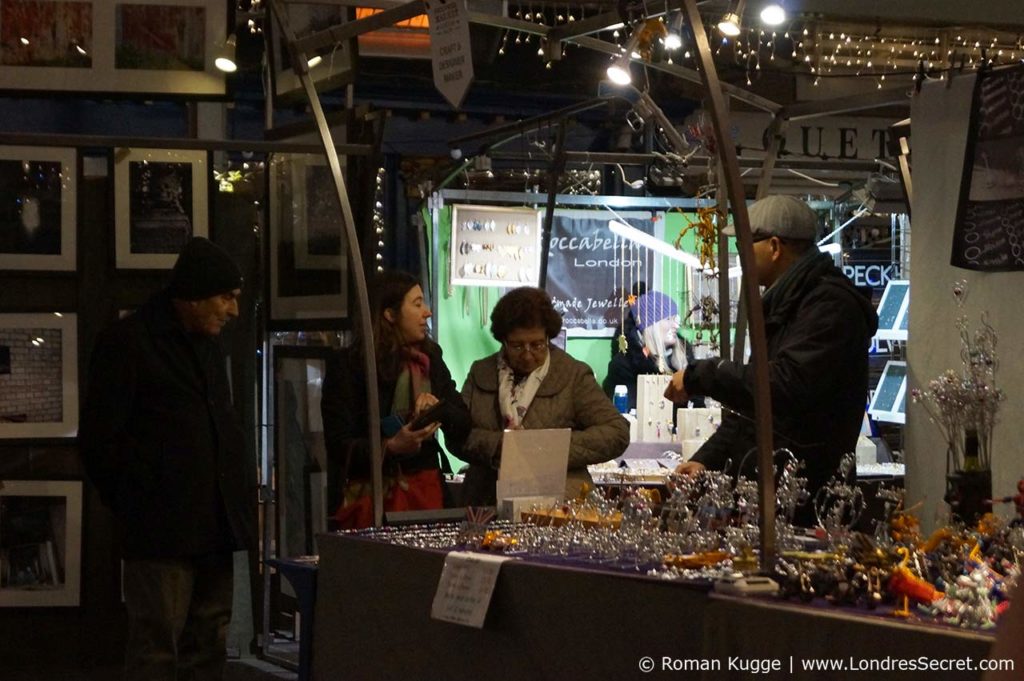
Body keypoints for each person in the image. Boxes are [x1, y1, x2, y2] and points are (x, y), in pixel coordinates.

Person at [79, 237, 256, 681]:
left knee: (210, 643)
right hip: (161, 531)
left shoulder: (209, 344)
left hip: (216, 526)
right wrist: (138, 503)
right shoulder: (128, 342)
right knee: (157, 649)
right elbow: (100, 442)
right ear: (195, 294)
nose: (233, 310)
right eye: (226, 297)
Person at [664, 195, 878, 524]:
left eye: (746, 244)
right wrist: (708, 460)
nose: (739, 255)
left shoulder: (829, 307)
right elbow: (754, 407)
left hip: (809, 501)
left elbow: (783, 386)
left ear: (775, 247)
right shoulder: (788, 303)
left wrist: (701, 375)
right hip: (775, 497)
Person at [320, 270, 470, 528]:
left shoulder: (430, 358)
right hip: (371, 500)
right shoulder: (349, 365)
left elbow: (464, 421)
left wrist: (438, 408)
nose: (428, 312)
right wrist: (390, 447)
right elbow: (338, 444)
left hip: (427, 495)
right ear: (389, 314)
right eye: (417, 304)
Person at [460, 286, 630, 505]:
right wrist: (501, 447)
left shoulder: (572, 375)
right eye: (517, 346)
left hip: (559, 505)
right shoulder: (481, 373)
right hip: (485, 501)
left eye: (538, 344)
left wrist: (547, 448)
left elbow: (617, 433)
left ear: (548, 336)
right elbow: (459, 434)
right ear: (503, 340)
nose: (528, 355)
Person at [602, 288, 700, 411]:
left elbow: (698, 406)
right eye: (669, 319)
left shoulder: (685, 359)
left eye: (676, 319)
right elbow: (628, 413)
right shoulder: (624, 365)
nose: (676, 325)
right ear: (651, 326)